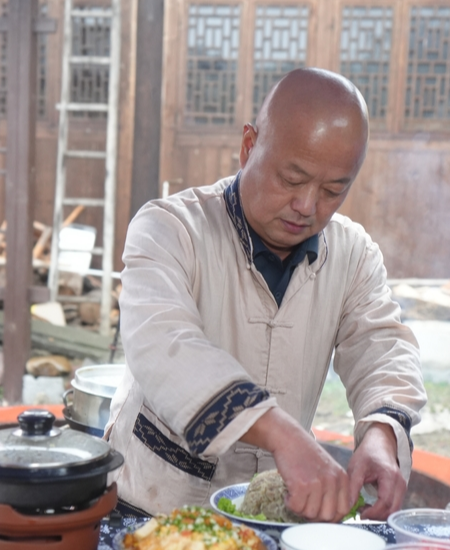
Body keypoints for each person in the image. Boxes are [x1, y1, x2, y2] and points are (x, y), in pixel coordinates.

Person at [106, 68, 425, 523]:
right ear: (249, 146)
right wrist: (284, 435)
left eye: (334, 190)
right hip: (152, 510)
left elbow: (382, 346)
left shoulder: (353, 255)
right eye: (293, 179)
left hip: (274, 519)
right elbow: (165, 346)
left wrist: (381, 433)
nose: (307, 206)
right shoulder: (169, 230)